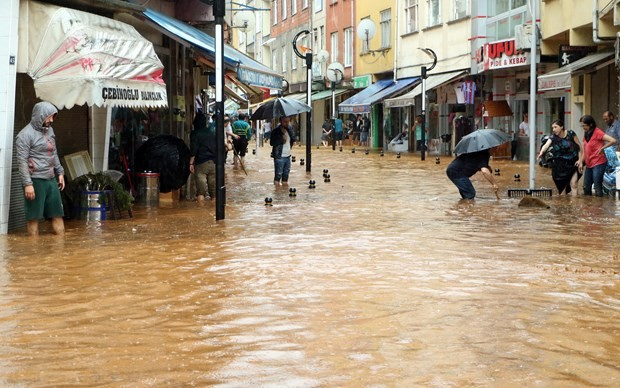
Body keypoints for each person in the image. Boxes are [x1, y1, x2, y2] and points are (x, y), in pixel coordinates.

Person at [15, 101, 65, 236]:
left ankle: (61, 249)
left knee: (57, 214)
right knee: (33, 218)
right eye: (49, 116)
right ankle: (34, 251)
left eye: (53, 116)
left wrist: (60, 172)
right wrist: (27, 184)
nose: (51, 120)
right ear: (40, 115)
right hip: (35, 180)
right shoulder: (24, 135)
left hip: (50, 178)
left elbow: (54, 153)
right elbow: (22, 161)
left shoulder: (50, 131)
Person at [537, 119, 583, 196]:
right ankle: (564, 206)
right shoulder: (553, 137)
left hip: (572, 163)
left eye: (555, 127)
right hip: (559, 166)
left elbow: (579, 147)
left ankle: (575, 206)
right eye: (552, 128)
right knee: (562, 190)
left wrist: (580, 160)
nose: (554, 129)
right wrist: (542, 152)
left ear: (561, 127)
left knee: (574, 184)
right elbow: (546, 145)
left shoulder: (571, 134)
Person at [578, 115, 617, 196]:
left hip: (599, 163)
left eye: (584, 125)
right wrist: (581, 162)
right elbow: (585, 150)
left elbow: (613, 140)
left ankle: (599, 206)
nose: (583, 127)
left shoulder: (597, 132)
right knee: (586, 187)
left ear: (591, 124)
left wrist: (603, 148)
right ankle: (588, 206)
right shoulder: (586, 134)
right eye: (582, 125)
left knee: (597, 186)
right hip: (589, 164)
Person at [189, 113, 217, 202]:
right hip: (214, 162)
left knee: (201, 192)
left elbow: (194, 149)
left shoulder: (195, 133)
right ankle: (212, 211)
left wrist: (191, 163)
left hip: (201, 162)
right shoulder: (211, 132)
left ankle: (201, 213)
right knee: (214, 192)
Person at [271, 116, 295, 185]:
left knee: (285, 177)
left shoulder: (289, 129)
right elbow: (272, 143)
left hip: (288, 156)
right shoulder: (276, 131)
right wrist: (281, 140)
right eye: (285, 122)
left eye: (288, 121)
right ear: (280, 121)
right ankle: (277, 193)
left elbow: (293, 138)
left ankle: (284, 193)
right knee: (277, 177)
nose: (287, 123)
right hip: (279, 156)